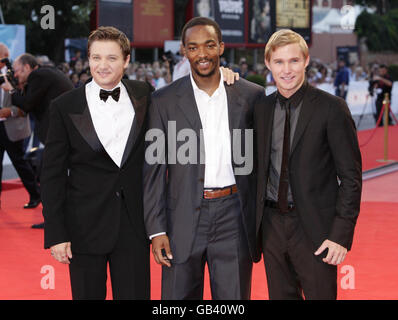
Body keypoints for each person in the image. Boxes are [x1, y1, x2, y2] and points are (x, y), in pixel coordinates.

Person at [143, 17, 264, 300]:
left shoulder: (251, 95)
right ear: (184, 52)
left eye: (209, 45)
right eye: (193, 47)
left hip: (234, 215)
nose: (202, 54)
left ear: (221, 47)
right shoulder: (164, 100)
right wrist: (156, 229)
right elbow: (153, 170)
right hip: (180, 218)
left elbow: (261, 161)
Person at [40, 26, 152, 300]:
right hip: (83, 226)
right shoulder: (64, 105)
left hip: (134, 225)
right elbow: (52, 174)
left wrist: (223, 76)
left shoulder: (146, 95)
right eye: (95, 57)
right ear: (87, 59)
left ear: (126, 61)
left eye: (111, 58)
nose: (102, 66)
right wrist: (55, 233)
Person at [254, 29, 362, 300]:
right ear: (268, 64)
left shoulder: (331, 108)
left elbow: (351, 177)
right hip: (271, 227)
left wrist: (340, 234)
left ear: (306, 61)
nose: (286, 69)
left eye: (293, 61)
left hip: (315, 229)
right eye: (279, 62)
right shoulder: (260, 110)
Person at [2, 53, 74, 228]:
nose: (16, 75)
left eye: (17, 71)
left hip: (57, 132)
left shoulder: (38, 76)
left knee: (50, 176)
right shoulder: (47, 73)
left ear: (27, 67)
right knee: (51, 175)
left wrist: (10, 89)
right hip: (62, 131)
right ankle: (59, 218)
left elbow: (26, 104)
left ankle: (56, 220)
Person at [0, 43, 40, 209]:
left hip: (11, 126)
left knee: (19, 163)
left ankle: (35, 195)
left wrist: (10, 111)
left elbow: (26, 103)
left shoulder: (15, 75)